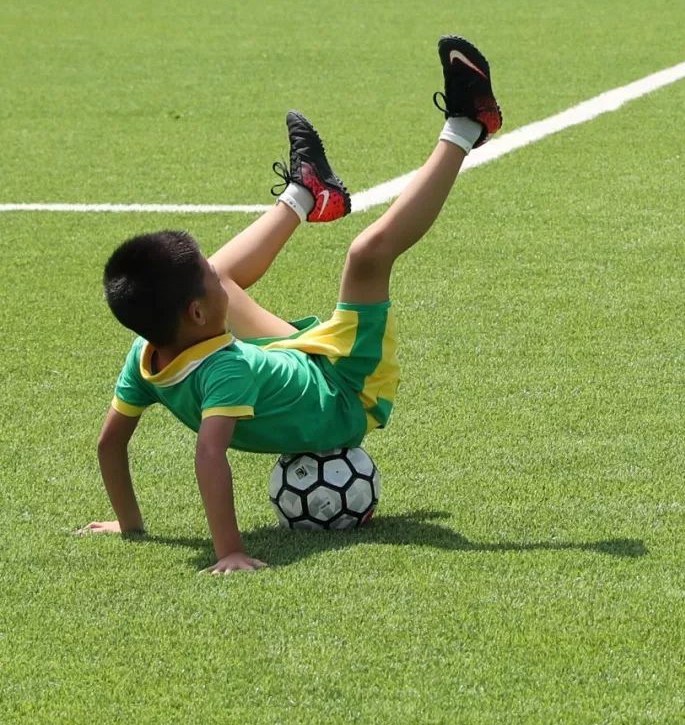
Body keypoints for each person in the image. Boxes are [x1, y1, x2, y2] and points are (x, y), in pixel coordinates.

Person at [79, 36, 503, 571]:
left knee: (230, 276)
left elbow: (109, 445)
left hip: (296, 360)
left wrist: (130, 522)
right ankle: (468, 125)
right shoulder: (225, 371)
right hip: (347, 391)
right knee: (367, 254)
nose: (215, 273)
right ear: (196, 316)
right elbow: (209, 454)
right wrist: (229, 551)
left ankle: (309, 192)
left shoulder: (146, 350)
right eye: (204, 282)